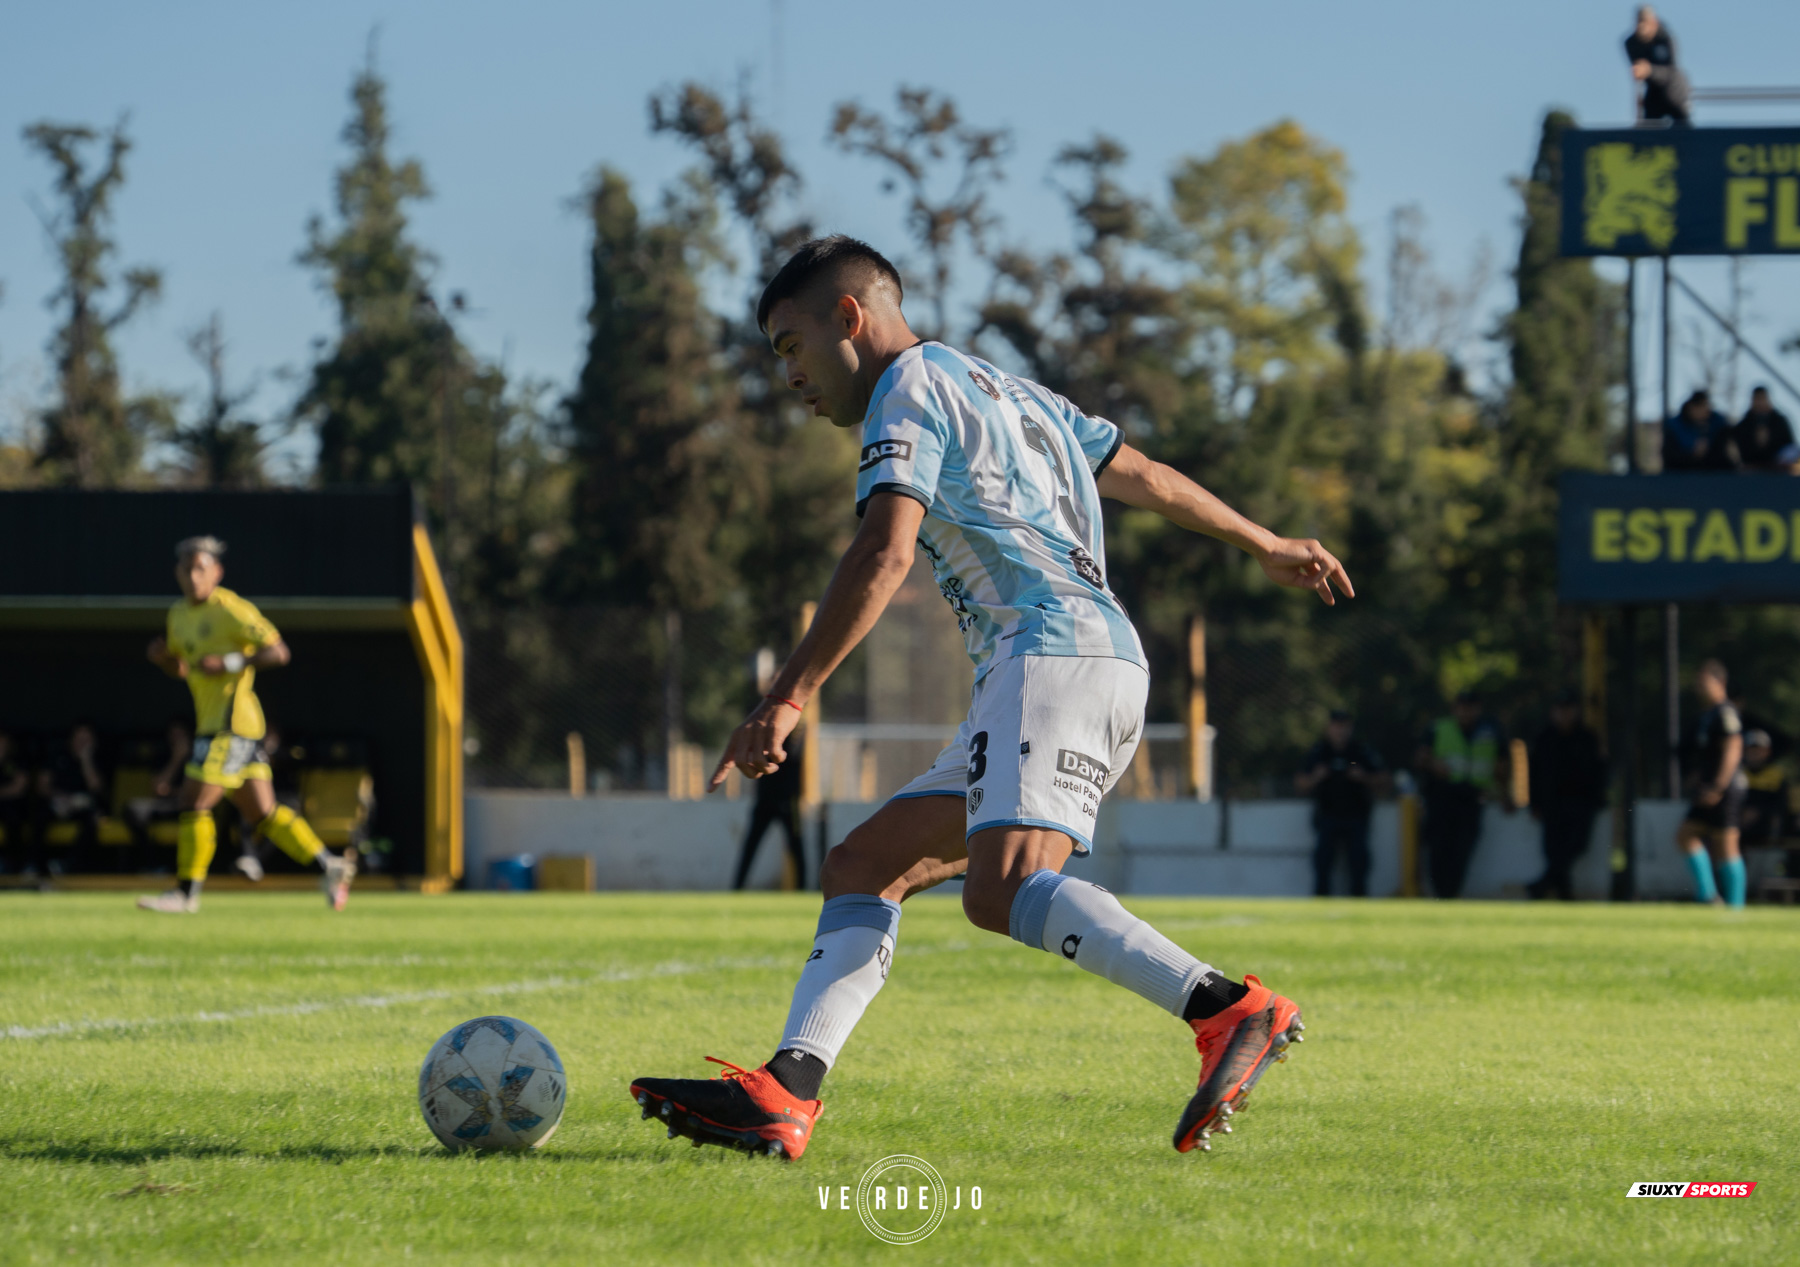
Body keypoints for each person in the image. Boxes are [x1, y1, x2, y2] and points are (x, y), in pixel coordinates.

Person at [629, 236, 1351, 1161]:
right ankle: (786, 1092)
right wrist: (1264, 541)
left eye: (791, 345)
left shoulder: (906, 388)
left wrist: (787, 695)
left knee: (1001, 886)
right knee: (864, 864)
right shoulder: (1013, 393)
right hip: (1089, 660)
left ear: (849, 316)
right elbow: (1146, 476)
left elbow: (885, 550)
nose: (791, 374)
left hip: (1047, 657)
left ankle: (1226, 1007)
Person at [137, 536, 356, 913]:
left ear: (217, 572)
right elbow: (183, 668)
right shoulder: (178, 615)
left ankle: (186, 894)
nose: (193, 576)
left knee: (193, 802)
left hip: (231, 725)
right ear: (177, 573)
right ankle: (329, 866)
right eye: (187, 569)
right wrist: (163, 660)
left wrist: (229, 662)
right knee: (263, 814)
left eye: (201, 568)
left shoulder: (232, 610)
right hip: (216, 724)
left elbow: (279, 652)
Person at [1417, 690, 1507, 899]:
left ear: (1478, 709)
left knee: (1463, 848)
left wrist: (1505, 794)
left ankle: (1451, 893)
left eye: (1470, 707)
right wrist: (1433, 764)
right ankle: (1440, 892)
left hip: (1472, 798)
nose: (1466, 712)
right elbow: (1420, 758)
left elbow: (1502, 766)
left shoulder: (1491, 731)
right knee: (1439, 846)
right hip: (1442, 797)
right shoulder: (1438, 728)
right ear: (1454, 709)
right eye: (1462, 707)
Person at [1676, 660, 1747, 908]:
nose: (1700, 688)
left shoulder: (1725, 712)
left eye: (1705, 682)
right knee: (1685, 835)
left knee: (1726, 845)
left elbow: (1733, 748)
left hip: (1725, 789)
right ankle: (1708, 895)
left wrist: (1719, 786)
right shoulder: (1706, 715)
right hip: (1708, 788)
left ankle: (1736, 908)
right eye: (1698, 683)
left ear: (1721, 683)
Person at [731, 660, 807, 891]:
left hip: (788, 797)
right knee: (751, 843)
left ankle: (803, 889)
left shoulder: (797, 719)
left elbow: (793, 755)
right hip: (765, 795)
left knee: (796, 845)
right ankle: (737, 888)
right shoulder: (761, 713)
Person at [1526, 689, 1607, 901]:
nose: (1564, 714)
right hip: (1551, 804)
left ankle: (1542, 885)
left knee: (1576, 846)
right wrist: (1534, 803)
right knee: (1552, 849)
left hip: (1580, 804)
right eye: (1560, 709)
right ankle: (1564, 894)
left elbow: (1598, 772)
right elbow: (1534, 774)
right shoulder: (1544, 738)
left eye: (1568, 709)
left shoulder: (1587, 738)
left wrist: (1598, 799)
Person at [1295, 709, 1386, 897]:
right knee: (1322, 863)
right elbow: (1299, 783)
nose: (1340, 731)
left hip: (1357, 816)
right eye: (1337, 726)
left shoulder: (1360, 751)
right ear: (1329, 727)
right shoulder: (1319, 752)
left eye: (1344, 726)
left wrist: (1363, 777)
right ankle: (1321, 902)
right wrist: (1315, 778)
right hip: (1327, 816)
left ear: (1350, 728)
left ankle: (1360, 902)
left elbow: (1384, 779)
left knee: (1359, 863)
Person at [33, 721, 107, 875]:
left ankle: (69, 866)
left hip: (83, 807)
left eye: (86, 740)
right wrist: (58, 797)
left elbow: (96, 788)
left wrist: (86, 760)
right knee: (38, 817)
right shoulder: (57, 756)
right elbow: (41, 786)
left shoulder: (99, 759)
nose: (82, 743)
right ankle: (38, 867)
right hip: (57, 803)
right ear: (71, 739)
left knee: (93, 820)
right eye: (79, 739)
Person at [1625, 6, 1691, 127]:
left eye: (1645, 22)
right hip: (1653, 94)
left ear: (1654, 22)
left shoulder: (1666, 39)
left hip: (1675, 93)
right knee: (1649, 132)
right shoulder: (1632, 43)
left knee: (1683, 132)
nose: (1642, 27)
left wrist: (1649, 71)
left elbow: (1671, 72)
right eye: (1639, 22)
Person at [1737, 729, 1788, 849]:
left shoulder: (1777, 776)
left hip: (1765, 837)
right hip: (1737, 833)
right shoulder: (1736, 773)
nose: (1755, 753)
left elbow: (1781, 806)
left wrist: (1759, 812)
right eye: (1751, 749)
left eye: (1759, 749)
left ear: (1767, 751)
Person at [1661, 391, 1736, 472]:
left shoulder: (1718, 424)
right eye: (1701, 407)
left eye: (1706, 407)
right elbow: (1669, 457)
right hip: (1681, 474)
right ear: (1691, 408)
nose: (1705, 412)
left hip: (1712, 474)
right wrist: (1692, 454)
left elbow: (1723, 457)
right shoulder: (1674, 426)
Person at [1732, 387, 1798, 474]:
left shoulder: (1780, 422)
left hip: (1778, 471)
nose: (1760, 403)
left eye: (1762, 399)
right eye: (1757, 399)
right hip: (1750, 471)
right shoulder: (1743, 426)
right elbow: (1737, 450)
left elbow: (1790, 447)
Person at [0, 731, 34, 875]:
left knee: (14, 818)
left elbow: (18, 789)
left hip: (14, 808)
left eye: (3, 742)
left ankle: (15, 868)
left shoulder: (18, 761)